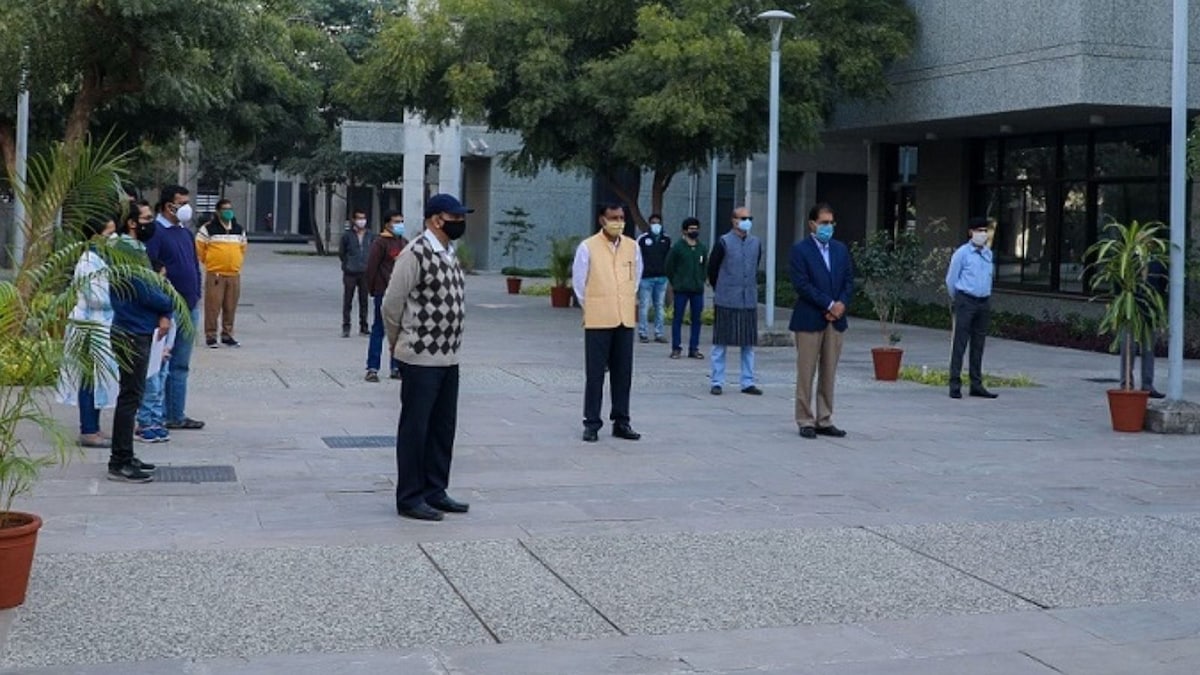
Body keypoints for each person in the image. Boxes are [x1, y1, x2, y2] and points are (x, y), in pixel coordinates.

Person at [383, 194, 472, 522]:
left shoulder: (449, 252)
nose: (461, 221)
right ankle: (410, 497)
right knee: (416, 429)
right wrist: (398, 344)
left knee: (442, 428)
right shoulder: (415, 252)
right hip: (420, 357)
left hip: (449, 358)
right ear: (437, 219)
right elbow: (392, 304)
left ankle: (436, 490)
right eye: (456, 216)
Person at [108, 218, 174, 483]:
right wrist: (169, 301)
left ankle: (126, 455)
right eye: (145, 219)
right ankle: (119, 461)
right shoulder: (129, 261)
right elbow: (151, 293)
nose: (149, 224)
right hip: (132, 333)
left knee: (132, 395)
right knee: (129, 398)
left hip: (136, 330)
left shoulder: (132, 255)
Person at [574, 203, 643, 442]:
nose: (618, 222)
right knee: (595, 374)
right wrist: (596, 304)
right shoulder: (588, 247)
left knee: (623, 373)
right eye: (613, 217)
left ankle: (621, 421)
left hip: (624, 318)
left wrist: (622, 300)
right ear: (602, 219)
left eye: (621, 218)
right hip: (598, 319)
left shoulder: (632, 247)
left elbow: (636, 279)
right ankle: (591, 423)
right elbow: (579, 284)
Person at [789, 203, 854, 439]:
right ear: (812, 224)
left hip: (835, 321)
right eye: (824, 223)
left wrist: (840, 305)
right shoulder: (800, 250)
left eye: (831, 223)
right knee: (806, 371)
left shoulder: (840, 250)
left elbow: (848, 280)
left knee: (829, 371)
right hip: (809, 318)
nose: (828, 227)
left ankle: (824, 418)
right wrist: (828, 304)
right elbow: (802, 285)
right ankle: (805, 419)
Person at [55, 215, 119, 449]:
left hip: (102, 325)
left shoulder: (101, 257)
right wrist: (121, 296)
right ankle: (88, 430)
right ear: (95, 235)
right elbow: (96, 297)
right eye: (108, 232)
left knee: (99, 379)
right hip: (89, 326)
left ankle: (95, 426)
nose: (113, 237)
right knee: (89, 380)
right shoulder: (88, 261)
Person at [145, 185, 206, 430]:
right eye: (180, 203)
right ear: (167, 205)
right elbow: (152, 270)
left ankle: (176, 414)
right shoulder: (156, 232)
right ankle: (154, 414)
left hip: (189, 306)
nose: (185, 208)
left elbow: (193, 264)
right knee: (162, 364)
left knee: (181, 363)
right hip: (169, 308)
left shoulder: (185, 233)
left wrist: (197, 292)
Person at [707, 206, 761, 396]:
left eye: (749, 217)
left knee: (748, 343)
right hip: (726, 298)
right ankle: (717, 381)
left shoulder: (756, 242)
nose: (747, 221)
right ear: (734, 220)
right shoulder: (724, 242)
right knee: (720, 342)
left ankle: (747, 381)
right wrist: (720, 287)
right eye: (743, 217)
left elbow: (756, 264)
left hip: (748, 299)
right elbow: (712, 268)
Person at [946, 216, 998, 399]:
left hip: (983, 301)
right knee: (960, 343)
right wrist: (958, 299)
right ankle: (954, 384)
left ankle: (976, 384)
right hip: (965, 300)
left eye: (985, 230)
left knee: (979, 344)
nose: (983, 234)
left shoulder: (988, 253)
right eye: (979, 230)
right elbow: (951, 279)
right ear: (971, 232)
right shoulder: (962, 253)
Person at [196, 198, 247, 348]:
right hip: (216, 274)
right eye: (225, 209)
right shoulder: (208, 229)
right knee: (213, 306)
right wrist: (211, 262)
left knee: (230, 306)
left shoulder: (238, 229)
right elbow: (200, 248)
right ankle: (211, 336)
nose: (228, 212)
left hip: (233, 274)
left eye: (230, 208)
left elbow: (243, 248)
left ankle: (227, 335)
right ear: (218, 212)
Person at [364, 210, 408, 382]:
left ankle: (396, 366)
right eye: (396, 221)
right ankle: (372, 368)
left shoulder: (404, 242)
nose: (400, 224)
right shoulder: (380, 243)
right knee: (379, 330)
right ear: (387, 224)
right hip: (383, 292)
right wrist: (373, 289)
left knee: (399, 331)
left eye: (401, 221)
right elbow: (371, 268)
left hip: (402, 293)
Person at [136, 259, 176, 444]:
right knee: (150, 388)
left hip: (163, 352)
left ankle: (157, 420)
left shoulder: (166, 303)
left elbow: (172, 326)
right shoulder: (148, 304)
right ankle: (144, 423)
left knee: (160, 388)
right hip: (152, 351)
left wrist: (168, 347)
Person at [1120, 259, 1168, 398]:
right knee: (1129, 349)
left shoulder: (1157, 264)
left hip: (1149, 314)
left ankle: (1148, 385)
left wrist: (1157, 311)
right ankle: (1126, 384)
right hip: (1130, 313)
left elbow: (1161, 287)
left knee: (1148, 350)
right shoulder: (1129, 259)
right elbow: (1119, 283)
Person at [664, 216, 707, 360]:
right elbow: (669, 266)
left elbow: (705, 266)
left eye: (696, 228)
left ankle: (694, 349)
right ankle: (676, 348)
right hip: (681, 289)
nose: (694, 231)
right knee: (678, 318)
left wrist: (701, 279)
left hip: (697, 289)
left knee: (697, 319)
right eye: (691, 229)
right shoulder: (678, 247)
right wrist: (676, 282)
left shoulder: (702, 248)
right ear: (684, 230)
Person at [636, 213, 671, 344]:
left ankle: (659, 333)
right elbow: (637, 258)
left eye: (658, 222)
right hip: (646, 278)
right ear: (650, 224)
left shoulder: (666, 239)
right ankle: (643, 333)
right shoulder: (643, 239)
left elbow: (669, 258)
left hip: (662, 278)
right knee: (644, 306)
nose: (656, 225)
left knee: (659, 307)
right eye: (653, 222)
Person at [340, 209, 375, 338]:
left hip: (365, 272)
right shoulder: (347, 236)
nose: (362, 221)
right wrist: (347, 265)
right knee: (348, 299)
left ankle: (364, 326)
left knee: (364, 300)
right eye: (359, 218)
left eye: (363, 218)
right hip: (350, 272)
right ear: (354, 220)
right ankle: (346, 326)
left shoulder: (370, 235)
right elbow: (342, 253)